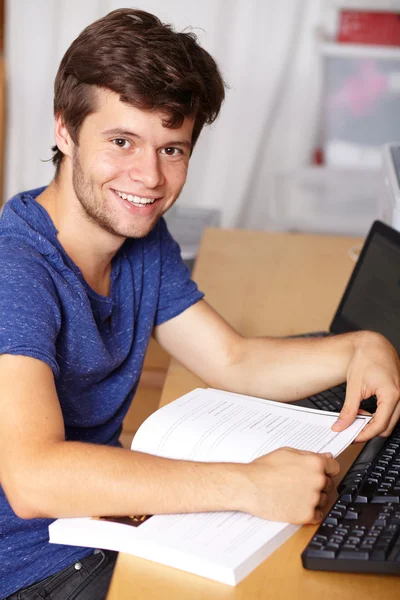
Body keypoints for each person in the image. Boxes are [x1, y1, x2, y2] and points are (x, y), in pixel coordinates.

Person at [0, 8, 399, 600]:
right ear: (64, 131)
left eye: (172, 149)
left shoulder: (137, 237)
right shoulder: (18, 272)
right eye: (121, 141)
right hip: (40, 568)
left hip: (101, 528)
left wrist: (362, 346)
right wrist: (249, 486)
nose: (149, 177)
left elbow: (232, 359)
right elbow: (33, 477)